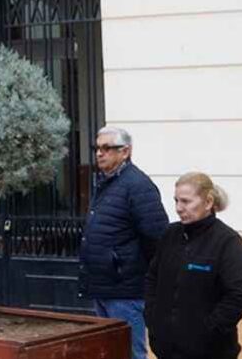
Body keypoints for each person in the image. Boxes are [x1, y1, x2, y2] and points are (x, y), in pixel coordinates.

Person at [78, 126, 168, 359]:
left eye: (107, 148)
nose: (99, 153)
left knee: (131, 352)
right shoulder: (106, 182)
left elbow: (157, 238)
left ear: (126, 151)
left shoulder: (138, 185)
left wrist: (132, 272)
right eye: (97, 148)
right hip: (103, 287)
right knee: (108, 351)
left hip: (126, 291)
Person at [145, 172, 242, 359]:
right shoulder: (170, 235)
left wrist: (207, 332)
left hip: (210, 352)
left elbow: (239, 296)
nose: (179, 208)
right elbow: (152, 278)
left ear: (209, 202)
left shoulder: (227, 241)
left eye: (186, 201)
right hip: (166, 350)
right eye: (176, 201)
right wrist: (153, 320)